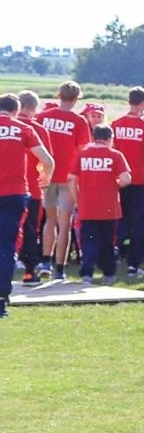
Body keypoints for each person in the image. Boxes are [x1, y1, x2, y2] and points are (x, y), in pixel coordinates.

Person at [0, 94, 54, 316]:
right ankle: (2, 299)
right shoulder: (23, 129)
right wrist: (46, 178)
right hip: (15, 193)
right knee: (6, 247)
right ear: (16, 110)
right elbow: (48, 160)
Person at [37, 80, 93, 279]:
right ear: (77, 98)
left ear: (58, 95)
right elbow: (82, 152)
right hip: (68, 178)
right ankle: (59, 269)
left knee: (49, 221)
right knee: (65, 224)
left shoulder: (42, 117)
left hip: (46, 175)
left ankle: (45, 261)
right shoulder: (79, 122)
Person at [68, 125, 132, 284]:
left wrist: (77, 199)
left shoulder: (82, 155)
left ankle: (87, 273)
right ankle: (109, 273)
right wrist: (115, 182)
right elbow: (126, 179)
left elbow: (70, 178)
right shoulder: (116, 155)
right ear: (110, 138)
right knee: (107, 241)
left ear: (94, 137)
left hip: (87, 206)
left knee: (89, 240)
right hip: (109, 207)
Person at [111, 87, 144, 278]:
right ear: (143, 104)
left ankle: (115, 253)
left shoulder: (116, 124)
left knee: (120, 219)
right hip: (141, 180)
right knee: (138, 222)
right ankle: (133, 265)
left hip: (120, 179)